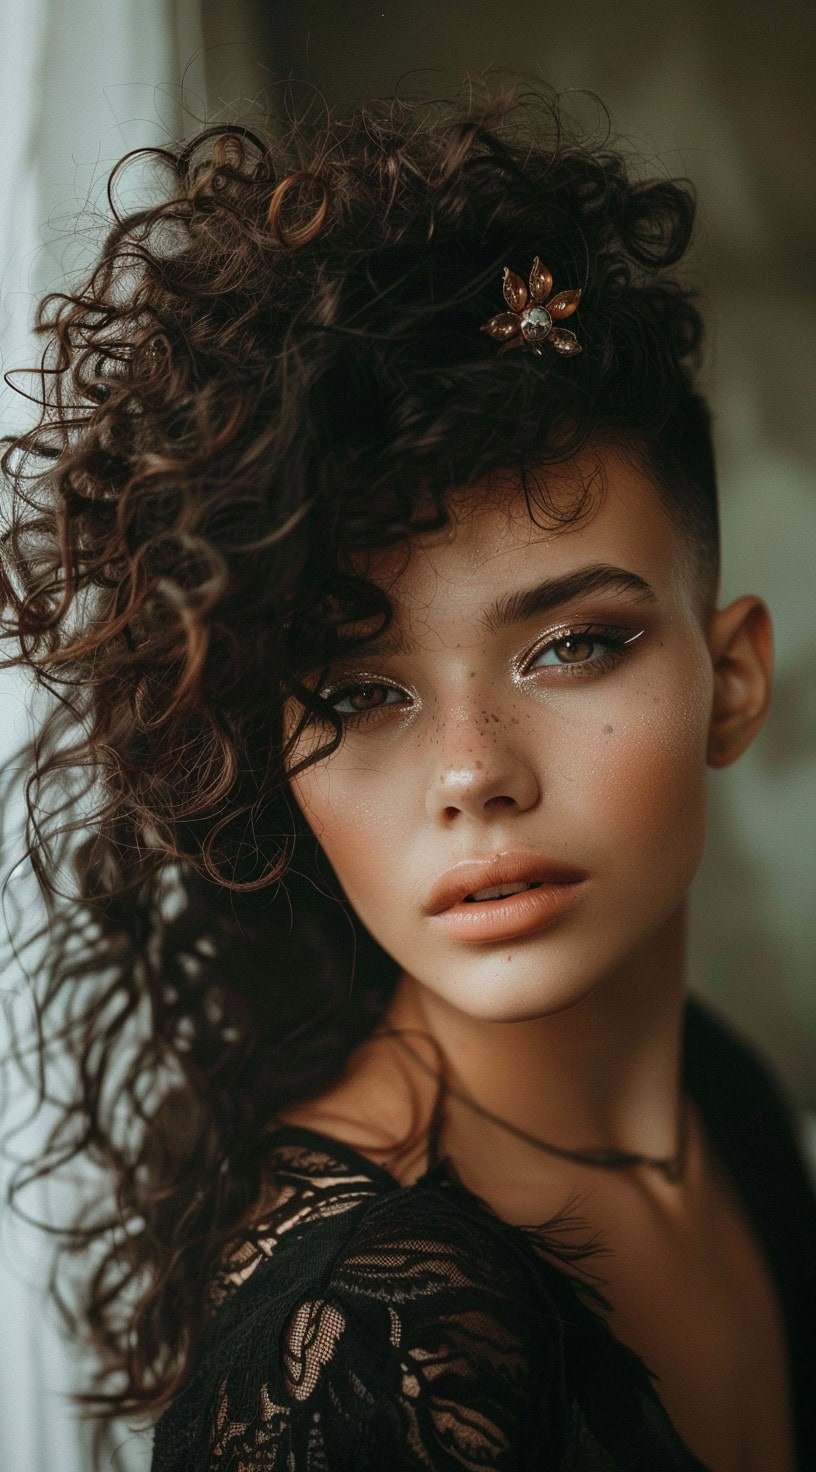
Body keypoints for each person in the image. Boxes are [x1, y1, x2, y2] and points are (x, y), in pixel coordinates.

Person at [1, 85, 814, 1472]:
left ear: (731, 679)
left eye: (571, 647)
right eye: (360, 692)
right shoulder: (365, 1354)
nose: (469, 775)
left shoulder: (721, 1097)